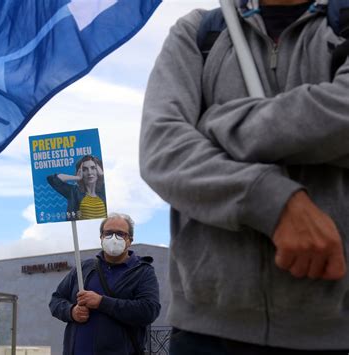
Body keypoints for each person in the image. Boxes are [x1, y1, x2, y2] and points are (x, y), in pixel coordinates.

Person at [140, 0, 349, 354]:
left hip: (333, 332)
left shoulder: (342, 24)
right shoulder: (198, 32)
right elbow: (163, 149)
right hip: (203, 333)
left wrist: (216, 123)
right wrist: (271, 201)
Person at [49, 213, 161, 355]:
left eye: (120, 234)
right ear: (101, 238)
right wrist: (71, 311)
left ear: (129, 240)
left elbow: (149, 311)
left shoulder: (142, 272)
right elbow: (56, 300)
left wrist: (102, 302)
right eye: (108, 233)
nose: (114, 238)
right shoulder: (84, 268)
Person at [47, 155, 107, 220]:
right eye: (84, 169)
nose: (89, 172)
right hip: (83, 228)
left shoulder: (104, 190)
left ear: (98, 170)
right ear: (80, 172)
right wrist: (77, 177)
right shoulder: (74, 191)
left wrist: (102, 175)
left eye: (93, 168)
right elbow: (52, 179)